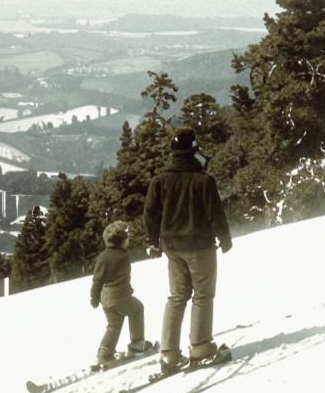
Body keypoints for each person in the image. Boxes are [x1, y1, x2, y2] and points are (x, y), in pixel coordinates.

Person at [144, 126, 234, 375]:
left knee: (177, 296)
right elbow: (215, 213)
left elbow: (150, 215)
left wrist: (154, 241)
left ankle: (169, 355)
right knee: (202, 296)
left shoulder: (160, 181)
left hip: (172, 247)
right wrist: (225, 239)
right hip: (200, 245)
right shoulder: (204, 181)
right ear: (194, 149)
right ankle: (201, 348)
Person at [90, 220, 150, 368]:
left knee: (113, 325)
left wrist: (94, 297)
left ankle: (104, 353)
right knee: (137, 308)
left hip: (105, 298)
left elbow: (97, 279)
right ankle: (137, 343)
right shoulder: (123, 256)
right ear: (122, 241)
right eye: (127, 237)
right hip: (120, 297)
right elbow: (124, 279)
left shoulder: (102, 257)